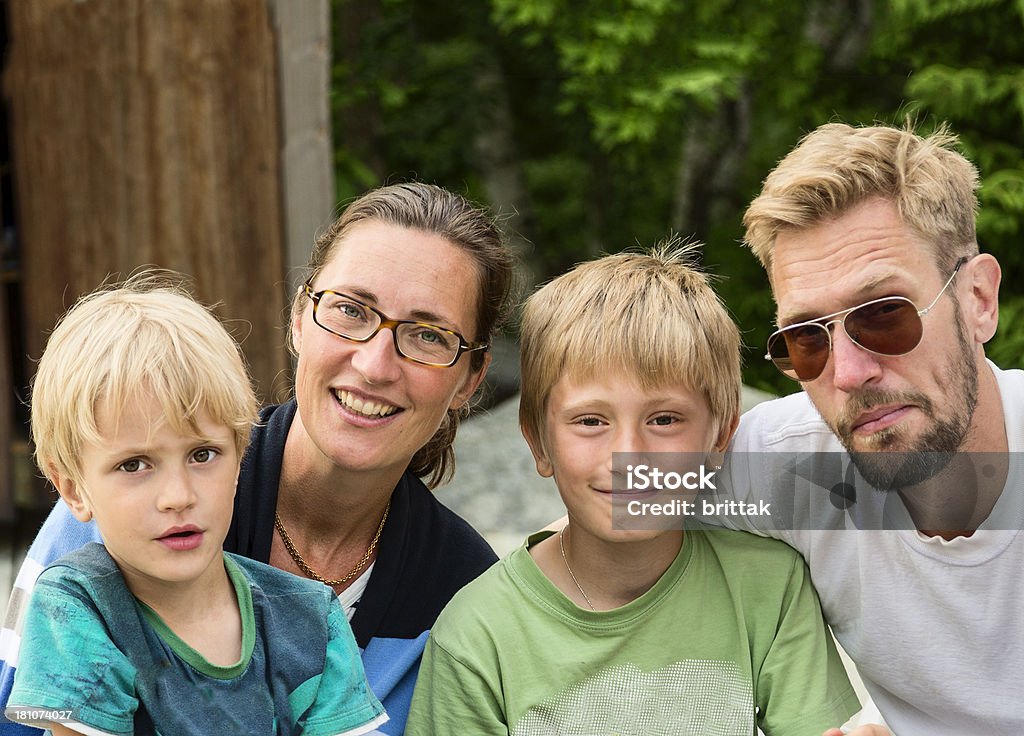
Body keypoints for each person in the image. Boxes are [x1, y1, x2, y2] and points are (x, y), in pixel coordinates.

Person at [0, 182, 515, 735]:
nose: (374, 364)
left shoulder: (462, 590)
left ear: (470, 379)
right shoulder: (119, 516)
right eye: (350, 310)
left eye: (428, 335)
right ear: (298, 318)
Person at [405, 246, 863, 736]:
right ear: (538, 440)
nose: (629, 454)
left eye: (664, 419)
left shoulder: (768, 589)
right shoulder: (477, 634)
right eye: (591, 421)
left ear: (720, 437)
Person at [716, 122, 1023, 735]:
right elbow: (607, 508)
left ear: (978, 300)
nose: (849, 373)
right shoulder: (790, 463)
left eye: (884, 316)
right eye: (807, 339)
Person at [4, 274, 387, 735]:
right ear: (72, 489)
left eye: (202, 455)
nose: (179, 496)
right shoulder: (78, 607)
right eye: (134, 465)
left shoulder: (312, 622)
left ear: (240, 455)